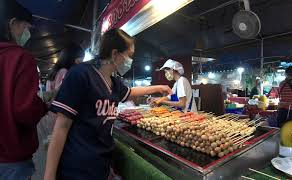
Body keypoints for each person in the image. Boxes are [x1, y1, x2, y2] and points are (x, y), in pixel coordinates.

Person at [44, 28, 172, 180]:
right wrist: (49, 175)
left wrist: (159, 87)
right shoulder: (80, 74)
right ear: (115, 54)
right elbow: (61, 127)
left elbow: (131, 92)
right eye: (129, 55)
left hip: (101, 165)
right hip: (77, 168)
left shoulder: (114, 82)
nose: (130, 61)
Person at [0, 1, 48, 179]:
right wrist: (42, 106)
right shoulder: (20, 57)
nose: (27, 34)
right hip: (12, 162)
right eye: (26, 27)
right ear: (12, 24)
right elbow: (25, 110)